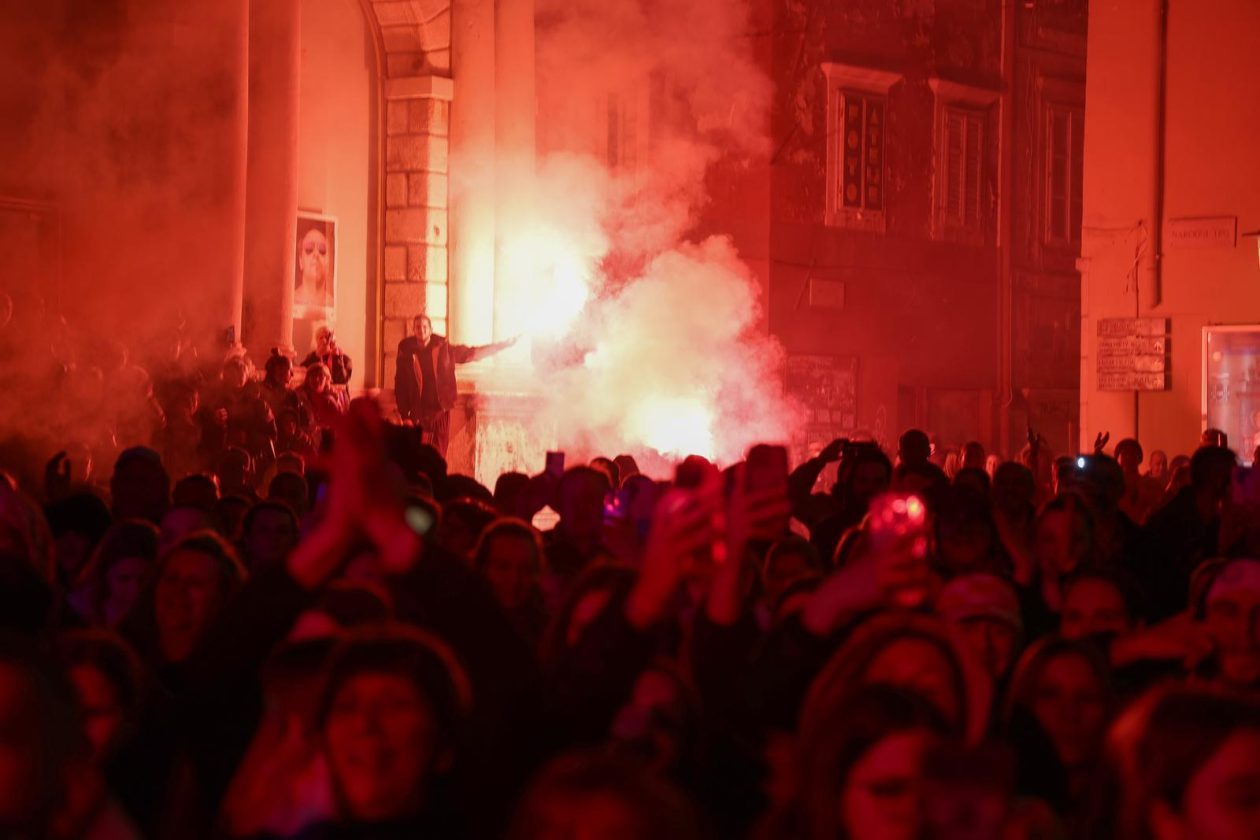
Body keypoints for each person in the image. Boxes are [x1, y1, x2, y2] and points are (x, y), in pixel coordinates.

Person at [393, 313, 515, 457]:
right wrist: (404, 414)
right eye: (418, 327)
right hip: (417, 413)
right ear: (413, 330)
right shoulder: (406, 355)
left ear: (431, 330)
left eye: (425, 327)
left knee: (438, 456)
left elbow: (471, 354)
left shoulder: (444, 350)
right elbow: (400, 386)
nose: (422, 330)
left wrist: (500, 347)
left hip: (440, 412)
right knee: (416, 457)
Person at [295, 226, 331, 309]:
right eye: (309, 248)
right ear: (300, 261)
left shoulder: (335, 306)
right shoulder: (290, 303)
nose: (316, 254)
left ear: (328, 263)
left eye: (322, 250)